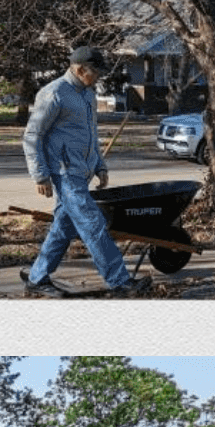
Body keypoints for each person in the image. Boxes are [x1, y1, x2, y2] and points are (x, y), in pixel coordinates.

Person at [19, 48, 136, 296]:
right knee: (93, 223)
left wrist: (100, 166)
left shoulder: (87, 95)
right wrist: (40, 175)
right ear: (80, 69)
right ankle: (120, 280)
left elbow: (91, 136)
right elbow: (32, 136)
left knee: (63, 228)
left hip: (81, 172)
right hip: (64, 173)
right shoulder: (54, 93)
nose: (98, 78)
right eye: (96, 72)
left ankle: (37, 277)